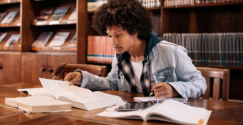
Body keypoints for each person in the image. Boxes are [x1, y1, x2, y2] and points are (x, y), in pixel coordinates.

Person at [64, 0, 206, 100]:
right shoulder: (120, 56)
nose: (113, 42)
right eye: (109, 36)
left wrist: (175, 90)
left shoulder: (171, 52)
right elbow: (113, 84)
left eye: (118, 35)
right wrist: (84, 78)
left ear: (135, 30)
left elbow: (200, 83)